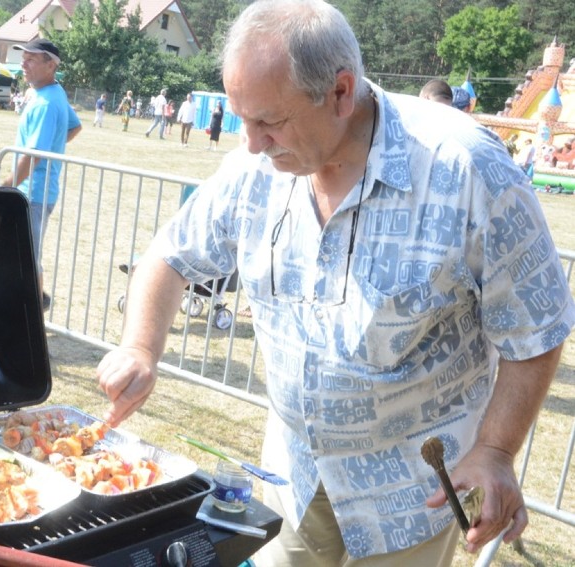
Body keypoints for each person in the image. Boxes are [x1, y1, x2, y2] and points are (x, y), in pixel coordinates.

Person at [95, 1, 575, 566]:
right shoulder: (255, 169)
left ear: (341, 93)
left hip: (410, 495)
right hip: (295, 474)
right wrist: (140, 347)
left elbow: (536, 327)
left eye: (269, 122)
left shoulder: (465, 169)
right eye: (242, 119)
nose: (251, 144)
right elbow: (171, 255)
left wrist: (495, 450)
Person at [0, 38, 82, 311]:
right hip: (37, 190)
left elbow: (34, 155)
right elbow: (74, 126)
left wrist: (6, 186)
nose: (24, 63)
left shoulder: (47, 103)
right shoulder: (52, 93)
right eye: (24, 57)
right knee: (25, 252)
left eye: (31, 59)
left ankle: (32, 310)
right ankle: (37, 302)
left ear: (51, 65)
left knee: (26, 255)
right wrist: (54, 145)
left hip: (33, 192)